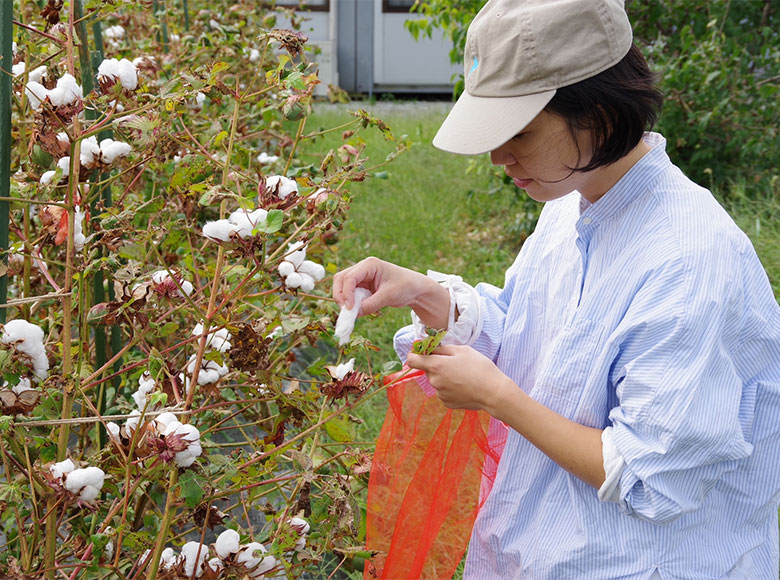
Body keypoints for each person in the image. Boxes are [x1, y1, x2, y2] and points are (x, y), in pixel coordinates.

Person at [333, 0, 780, 578]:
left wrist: (498, 398)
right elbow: (531, 335)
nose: (498, 157)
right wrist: (424, 293)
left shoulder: (688, 260)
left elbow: (649, 478)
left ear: (597, 112)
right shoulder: (573, 203)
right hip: (536, 546)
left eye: (518, 132)